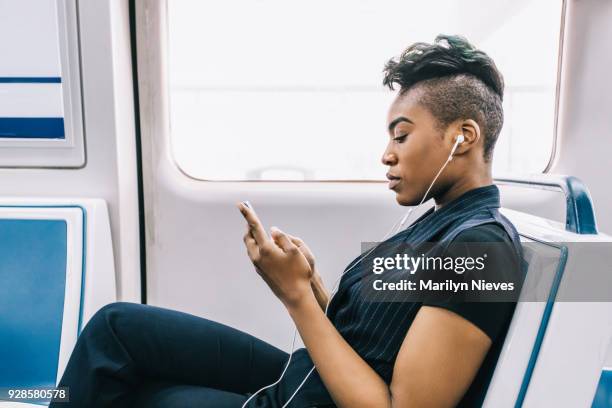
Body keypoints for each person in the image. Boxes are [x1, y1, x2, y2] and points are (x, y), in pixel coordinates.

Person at [50, 34, 524, 408]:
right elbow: (374, 341)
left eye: (401, 136)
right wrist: (313, 284)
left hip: (311, 398)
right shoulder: (436, 222)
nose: (386, 155)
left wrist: (295, 296)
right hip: (306, 379)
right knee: (117, 330)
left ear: (463, 137)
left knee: (148, 397)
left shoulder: (479, 252)